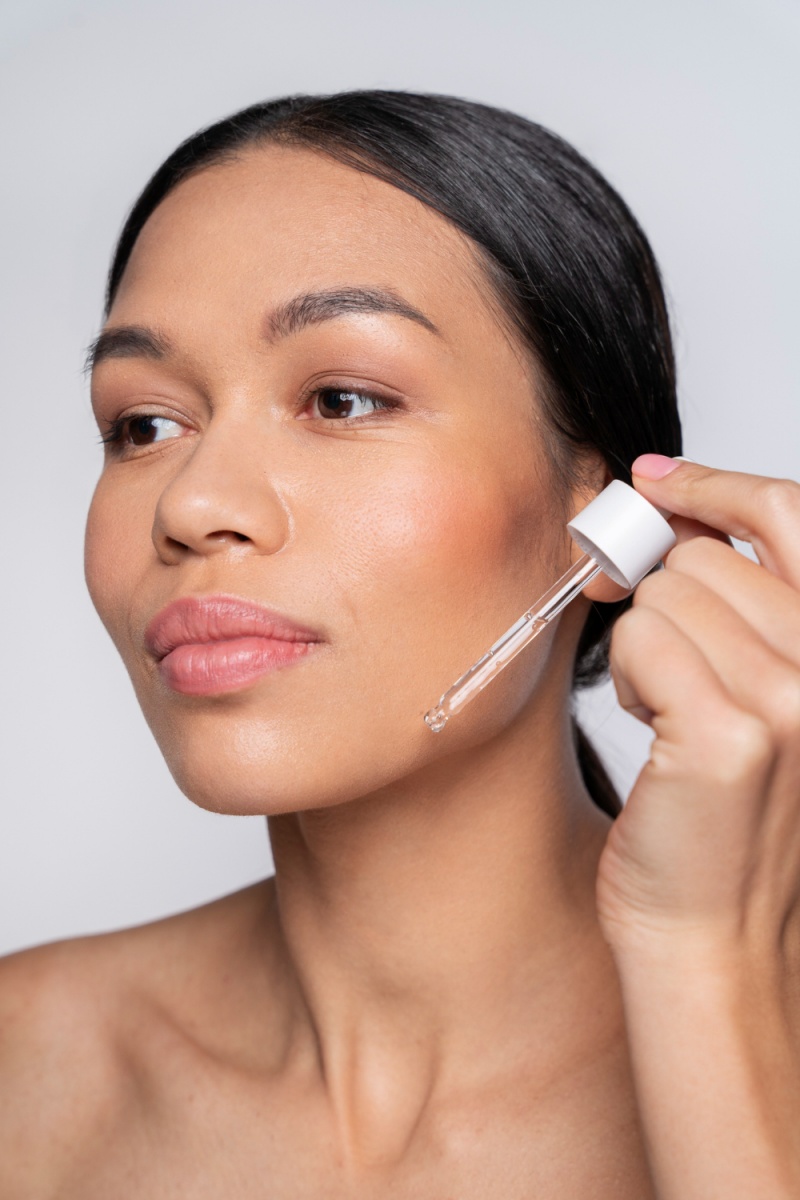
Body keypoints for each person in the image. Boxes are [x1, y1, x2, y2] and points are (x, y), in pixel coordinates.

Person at [1, 90, 798, 1198]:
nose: (191, 505)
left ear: (603, 509)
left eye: (341, 398)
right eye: (143, 424)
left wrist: (701, 970)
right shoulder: (27, 1066)